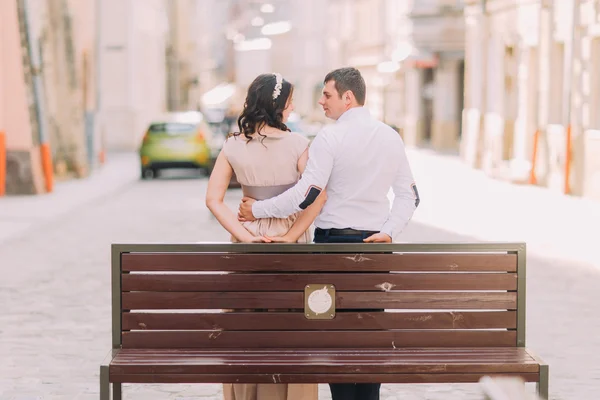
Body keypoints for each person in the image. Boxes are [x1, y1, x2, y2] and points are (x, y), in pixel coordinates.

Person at [238, 67, 420, 400]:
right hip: (377, 248)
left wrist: (257, 210)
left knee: (333, 334)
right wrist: (390, 232)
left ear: (347, 97)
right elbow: (410, 196)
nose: (321, 101)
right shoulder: (390, 136)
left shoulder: (329, 137)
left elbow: (307, 193)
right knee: (370, 331)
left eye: (327, 94)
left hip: (332, 248)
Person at [205, 73, 323, 400]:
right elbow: (319, 196)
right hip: (289, 243)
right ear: (278, 105)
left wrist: (243, 237)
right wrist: (293, 235)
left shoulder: (232, 145)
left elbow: (213, 199)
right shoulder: (299, 144)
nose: (293, 107)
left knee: (246, 328)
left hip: (248, 244)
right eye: (289, 101)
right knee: (292, 328)